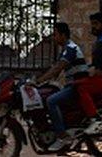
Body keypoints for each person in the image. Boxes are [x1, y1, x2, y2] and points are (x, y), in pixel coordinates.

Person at [33, 21, 88, 151]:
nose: (54, 37)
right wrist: (41, 80)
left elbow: (57, 69)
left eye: (55, 34)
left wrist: (38, 81)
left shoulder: (70, 48)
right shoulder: (65, 50)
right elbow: (55, 70)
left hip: (76, 87)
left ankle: (62, 137)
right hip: (72, 85)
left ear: (63, 35)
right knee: (50, 93)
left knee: (51, 101)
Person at [73, 11, 102, 135]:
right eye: (92, 24)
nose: (93, 26)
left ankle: (95, 120)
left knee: (81, 88)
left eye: (96, 24)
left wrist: (101, 72)